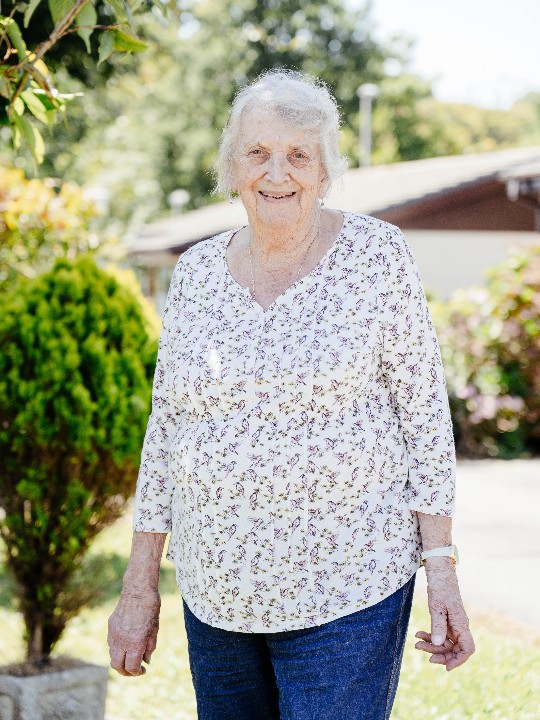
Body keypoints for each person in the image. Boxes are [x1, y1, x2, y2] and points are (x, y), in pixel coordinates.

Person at [108, 70, 475, 720]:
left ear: (325, 169)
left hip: (347, 593)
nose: (277, 172)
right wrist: (140, 584)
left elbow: (424, 419)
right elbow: (166, 432)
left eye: (298, 154)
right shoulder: (194, 274)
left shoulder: (376, 257)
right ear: (231, 167)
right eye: (258, 153)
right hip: (216, 594)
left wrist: (441, 565)